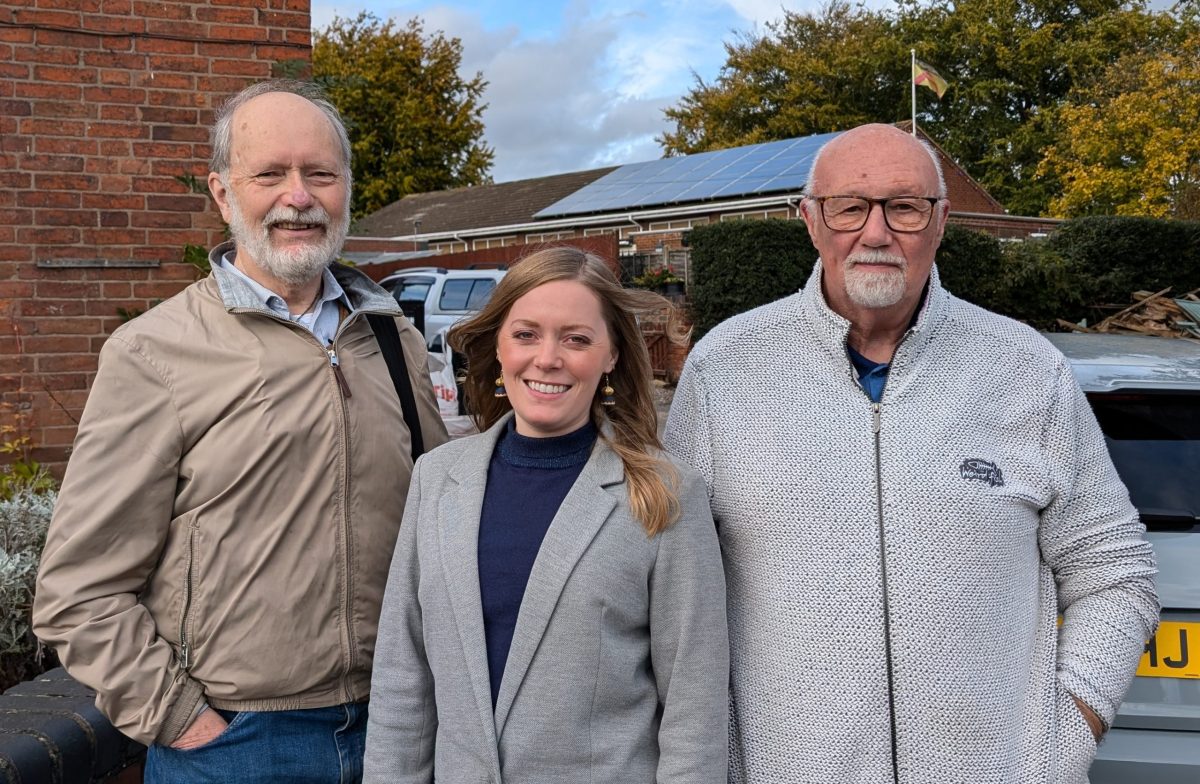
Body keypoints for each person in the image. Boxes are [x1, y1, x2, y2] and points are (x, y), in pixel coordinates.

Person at [665, 123, 1158, 784]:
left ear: (941, 220)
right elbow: (675, 593)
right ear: (810, 220)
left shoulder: (1026, 369)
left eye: (905, 207)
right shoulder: (722, 370)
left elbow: (1114, 571)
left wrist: (1065, 737)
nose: (875, 234)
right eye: (849, 207)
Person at [33, 79, 448, 783]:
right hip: (240, 744)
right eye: (270, 174)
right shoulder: (154, 352)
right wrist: (178, 718)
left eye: (321, 173)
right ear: (223, 194)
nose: (299, 196)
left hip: (403, 723)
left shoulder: (387, 334)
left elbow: (443, 510)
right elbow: (78, 588)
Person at [362, 246, 729, 784]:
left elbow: (694, 708)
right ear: (499, 345)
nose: (548, 358)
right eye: (526, 334)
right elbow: (403, 679)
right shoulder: (437, 479)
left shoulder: (663, 492)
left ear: (611, 355)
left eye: (576, 338)